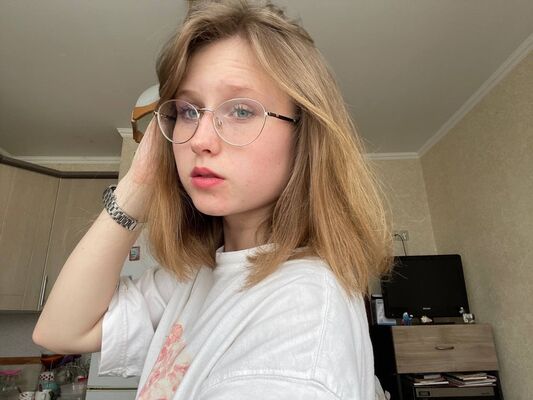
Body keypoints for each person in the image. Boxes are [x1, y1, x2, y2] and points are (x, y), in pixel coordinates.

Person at [33, 0, 392, 398]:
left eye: (240, 111)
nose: (199, 139)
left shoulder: (300, 316)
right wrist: (139, 182)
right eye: (188, 112)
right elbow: (60, 331)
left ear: (304, 134)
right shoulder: (196, 273)